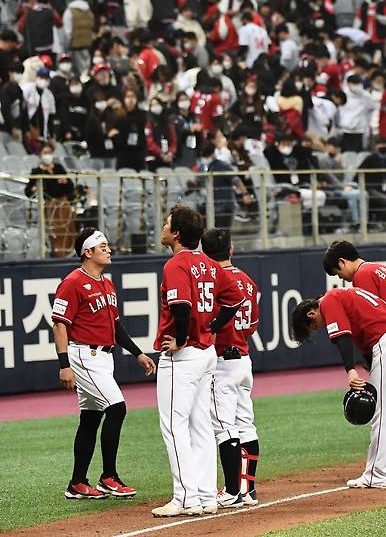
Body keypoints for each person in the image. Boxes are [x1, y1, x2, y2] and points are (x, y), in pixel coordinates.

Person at [153, 205, 245, 517]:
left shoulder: (176, 264)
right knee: (201, 425)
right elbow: (235, 300)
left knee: (174, 425)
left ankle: (184, 498)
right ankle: (206, 496)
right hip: (206, 352)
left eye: (167, 224)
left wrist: (180, 338)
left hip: (185, 354)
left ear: (176, 233)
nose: (163, 228)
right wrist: (212, 328)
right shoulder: (209, 263)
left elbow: (181, 307)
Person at [50, 227, 156, 499]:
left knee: (91, 418)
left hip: (104, 357)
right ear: (87, 252)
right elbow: (60, 325)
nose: (109, 250)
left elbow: (116, 325)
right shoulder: (73, 282)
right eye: (103, 247)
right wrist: (64, 364)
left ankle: (76, 483)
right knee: (117, 408)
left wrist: (137, 353)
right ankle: (109, 477)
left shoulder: (107, 284)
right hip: (85, 356)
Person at [290, 287, 386, 488]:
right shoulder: (350, 294)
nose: (320, 327)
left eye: (315, 326)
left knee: (385, 415)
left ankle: (378, 475)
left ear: (311, 313)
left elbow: (342, 338)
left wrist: (350, 370)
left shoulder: (328, 300)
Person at [201, 228, 260, 508]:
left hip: (222, 360)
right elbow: (251, 326)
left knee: (224, 427)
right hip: (244, 358)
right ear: (231, 250)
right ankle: (248, 490)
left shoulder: (214, 281)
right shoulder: (247, 280)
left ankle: (233, 491)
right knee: (245, 426)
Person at [25, 143, 77, 257]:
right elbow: (28, 191)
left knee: (69, 229)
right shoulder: (37, 171)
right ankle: (59, 254)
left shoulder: (59, 168)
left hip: (63, 204)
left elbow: (71, 186)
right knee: (55, 231)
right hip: (50, 205)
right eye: (45, 153)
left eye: (49, 153)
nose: (47, 155)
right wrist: (34, 188)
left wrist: (66, 182)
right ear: (40, 155)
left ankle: (70, 252)